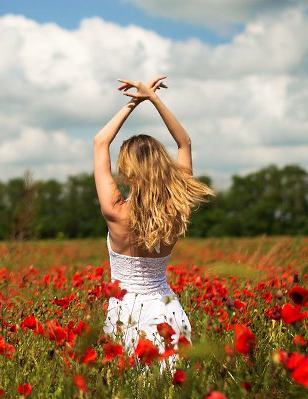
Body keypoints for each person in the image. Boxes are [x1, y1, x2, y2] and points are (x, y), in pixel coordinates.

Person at [93, 76, 214, 371]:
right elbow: (184, 142)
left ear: (126, 169)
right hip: (166, 311)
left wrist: (136, 101)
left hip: (124, 312)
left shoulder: (116, 211)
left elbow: (100, 142)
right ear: (163, 164)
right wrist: (154, 99)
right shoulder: (176, 207)